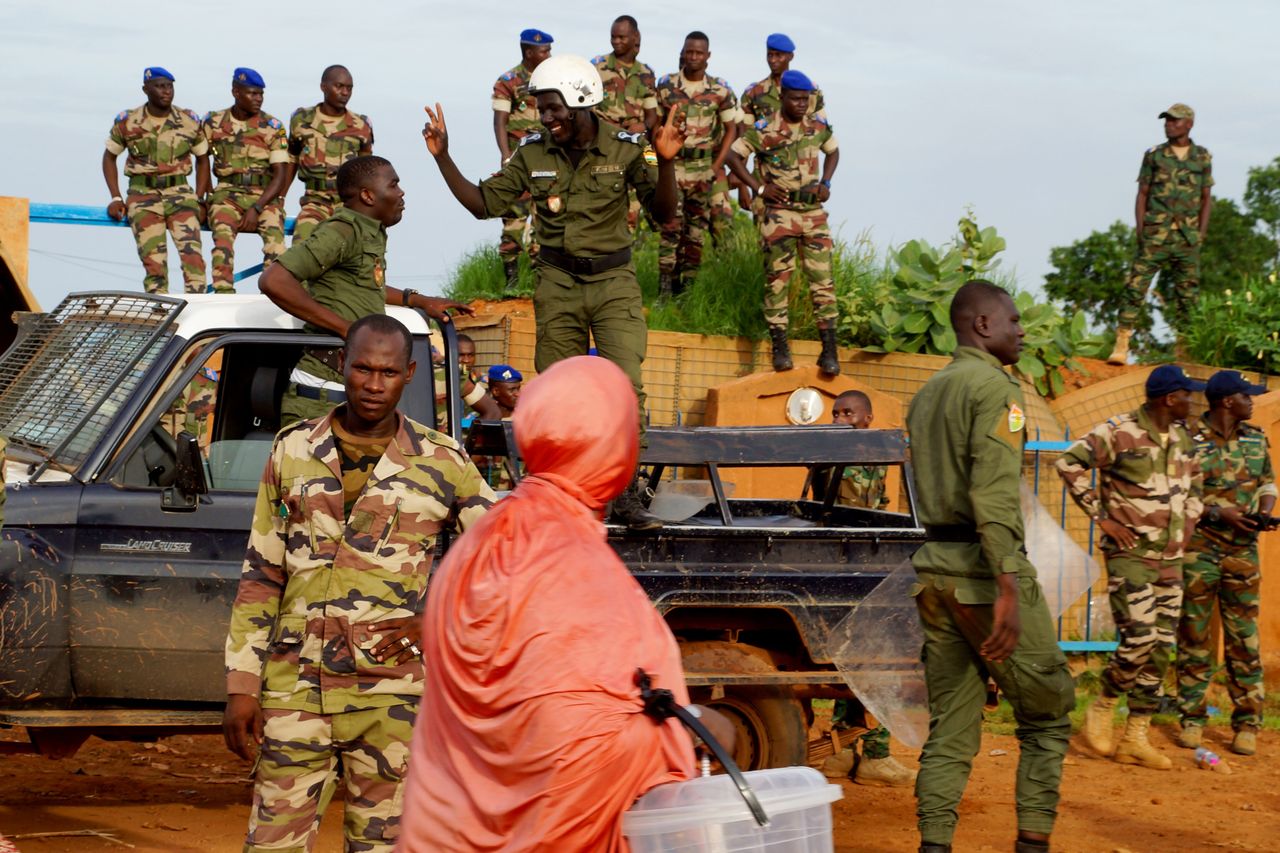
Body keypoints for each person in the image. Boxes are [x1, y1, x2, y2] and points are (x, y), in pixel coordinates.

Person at [398, 356, 697, 851]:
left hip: (447, 829)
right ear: (611, 448)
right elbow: (601, 736)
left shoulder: (484, 536)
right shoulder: (578, 564)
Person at [222, 313, 496, 852]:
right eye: (362, 369)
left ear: (410, 374)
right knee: (271, 846)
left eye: (388, 372)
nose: (373, 385)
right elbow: (261, 573)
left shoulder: (442, 462)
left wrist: (435, 619)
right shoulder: (293, 448)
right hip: (295, 691)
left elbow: (500, 560)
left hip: (392, 698)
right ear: (341, 366)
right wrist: (241, 686)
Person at [423, 53, 683, 529]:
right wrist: (443, 157)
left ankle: (625, 494)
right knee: (558, 392)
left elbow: (665, 212)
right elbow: (483, 203)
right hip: (558, 283)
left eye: (553, 108)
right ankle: (564, 491)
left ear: (582, 101)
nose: (546, 118)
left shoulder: (632, 148)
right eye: (541, 109)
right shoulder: (532, 153)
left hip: (613, 283)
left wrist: (665, 164)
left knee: (625, 386)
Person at [907, 280, 1074, 853]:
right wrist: (1007, 578)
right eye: (1015, 320)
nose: (1022, 330)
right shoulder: (995, 389)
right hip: (983, 574)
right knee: (1048, 715)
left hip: (934, 570)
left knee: (951, 727)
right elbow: (994, 490)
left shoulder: (930, 392)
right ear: (982, 325)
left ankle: (935, 845)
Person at [1057, 364, 1205, 770]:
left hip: (1170, 560)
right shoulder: (1117, 431)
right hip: (1130, 555)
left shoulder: (1183, 440)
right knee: (1138, 639)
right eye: (1187, 395)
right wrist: (1101, 517)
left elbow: (1198, 486)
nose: (1193, 402)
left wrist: (1189, 522)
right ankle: (1104, 704)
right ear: (1168, 398)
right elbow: (1068, 464)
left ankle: (1135, 736)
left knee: (1160, 648)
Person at [259, 155, 469, 425]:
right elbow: (273, 280)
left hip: (344, 391)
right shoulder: (343, 231)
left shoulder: (369, 232)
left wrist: (417, 300)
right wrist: (346, 329)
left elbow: (367, 286)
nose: (402, 192)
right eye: (394, 185)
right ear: (368, 196)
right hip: (322, 392)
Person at [819, 390, 916, 789]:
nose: (841, 418)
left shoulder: (873, 455)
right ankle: (869, 756)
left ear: (868, 417)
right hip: (846, 568)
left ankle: (845, 754)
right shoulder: (832, 453)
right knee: (874, 661)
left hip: (863, 565)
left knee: (859, 661)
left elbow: (878, 507)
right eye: (836, 412)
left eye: (850, 413)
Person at [1177, 369, 1275, 757]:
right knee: (1194, 637)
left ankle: (1247, 723)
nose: (1253, 401)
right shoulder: (1188, 440)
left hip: (1242, 552)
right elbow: (1178, 493)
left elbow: (1268, 482)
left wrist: (1265, 511)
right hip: (1199, 550)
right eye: (1246, 396)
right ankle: (1192, 720)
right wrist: (1219, 514)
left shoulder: (1256, 439)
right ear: (1226, 402)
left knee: (1244, 640)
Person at [726, 70, 840, 375]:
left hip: (813, 213)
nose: (802, 104)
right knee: (778, 281)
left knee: (823, 282)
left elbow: (833, 150)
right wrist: (758, 187)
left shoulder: (817, 125)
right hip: (780, 214)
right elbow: (733, 157)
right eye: (796, 99)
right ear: (784, 97)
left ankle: (829, 350)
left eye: (806, 99)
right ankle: (780, 348)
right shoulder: (765, 129)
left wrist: (826, 182)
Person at [1108, 103, 1213, 364]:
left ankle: (1185, 350)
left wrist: (1200, 234)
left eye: (1174, 121)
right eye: (1167, 120)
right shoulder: (1154, 155)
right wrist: (1141, 231)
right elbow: (1142, 194)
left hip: (1186, 238)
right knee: (1135, 287)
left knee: (1188, 296)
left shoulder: (1202, 157)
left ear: (1188, 124)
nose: (1168, 124)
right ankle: (1122, 343)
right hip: (1156, 234)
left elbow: (1206, 198)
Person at [102, 67, 208, 295]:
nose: (166, 91)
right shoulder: (128, 121)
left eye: (169, 86)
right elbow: (109, 158)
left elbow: (203, 159)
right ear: (145, 89)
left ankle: (198, 311)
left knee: (194, 261)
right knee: (154, 265)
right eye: (160, 86)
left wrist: (199, 198)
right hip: (143, 197)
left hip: (180, 195)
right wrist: (115, 197)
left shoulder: (188, 121)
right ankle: (160, 312)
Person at [655, 31, 738, 298]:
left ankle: (686, 291)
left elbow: (731, 129)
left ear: (708, 56)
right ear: (683, 52)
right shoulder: (666, 86)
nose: (693, 57)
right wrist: (654, 162)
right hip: (674, 167)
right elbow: (654, 126)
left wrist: (717, 167)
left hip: (704, 169)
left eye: (699, 53)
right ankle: (664, 288)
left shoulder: (719, 90)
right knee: (670, 228)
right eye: (689, 51)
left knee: (696, 231)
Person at [202, 68, 290, 293]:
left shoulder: (272, 127)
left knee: (276, 246)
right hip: (226, 194)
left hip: (264, 195)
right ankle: (222, 296)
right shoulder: (213, 122)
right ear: (236, 92)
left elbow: (280, 173)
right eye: (252, 93)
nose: (258, 99)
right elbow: (201, 161)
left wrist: (257, 208)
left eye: (261, 94)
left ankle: (273, 296)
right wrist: (203, 198)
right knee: (222, 239)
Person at [493, 28, 553, 290]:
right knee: (514, 221)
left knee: (547, 220)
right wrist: (506, 156)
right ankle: (512, 282)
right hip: (519, 161)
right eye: (544, 51)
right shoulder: (509, 81)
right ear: (529, 52)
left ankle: (542, 280)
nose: (549, 55)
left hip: (547, 160)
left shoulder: (553, 78)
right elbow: (500, 121)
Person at [286, 65, 374, 244]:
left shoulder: (361, 125)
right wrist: (279, 198)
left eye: (349, 88)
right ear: (323, 87)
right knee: (301, 248)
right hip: (315, 201)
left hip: (348, 204)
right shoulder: (302, 120)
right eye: (339, 86)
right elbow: (291, 159)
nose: (345, 93)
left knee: (359, 251)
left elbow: (368, 171)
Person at [592, 15, 659, 236]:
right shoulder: (596, 67)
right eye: (613, 37)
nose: (616, 41)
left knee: (639, 205)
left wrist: (644, 127)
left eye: (621, 37)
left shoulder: (646, 73)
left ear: (635, 37)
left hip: (635, 148)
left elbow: (651, 115)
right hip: (604, 148)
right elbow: (584, 109)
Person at [739, 33, 827, 128]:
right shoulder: (753, 93)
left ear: (791, 56)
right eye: (770, 55)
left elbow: (822, 129)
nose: (773, 60)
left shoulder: (811, 91)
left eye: (778, 55)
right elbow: (746, 131)